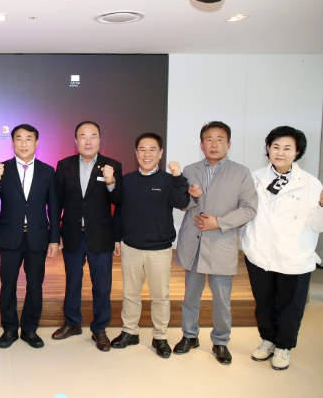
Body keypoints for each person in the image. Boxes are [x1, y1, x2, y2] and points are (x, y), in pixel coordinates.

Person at [174, 121, 257, 365]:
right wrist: (191, 197)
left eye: (219, 139)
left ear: (228, 144)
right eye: (209, 139)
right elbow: (182, 204)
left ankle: (220, 341)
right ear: (201, 145)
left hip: (221, 243)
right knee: (190, 296)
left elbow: (249, 209)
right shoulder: (190, 169)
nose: (214, 144)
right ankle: (189, 336)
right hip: (194, 243)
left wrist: (219, 222)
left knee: (222, 300)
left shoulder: (241, 172)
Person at [241, 126, 323, 371]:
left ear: (297, 152)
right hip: (260, 253)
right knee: (264, 303)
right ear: (268, 148)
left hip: (294, 255)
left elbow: (317, 225)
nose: (280, 152)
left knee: (291, 306)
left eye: (287, 148)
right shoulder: (254, 178)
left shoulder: (311, 184)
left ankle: (284, 346)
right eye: (275, 146)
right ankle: (268, 339)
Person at [111, 133, 190, 358]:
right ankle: (130, 331)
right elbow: (119, 212)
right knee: (130, 294)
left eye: (152, 149)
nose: (147, 154)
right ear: (136, 153)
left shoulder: (169, 180)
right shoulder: (127, 180)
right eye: (142, 149)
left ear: (160, 153)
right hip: (131, 247)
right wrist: (117, 239)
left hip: (159, 249)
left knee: (160, 296)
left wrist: (178, 177)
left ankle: (160, 336)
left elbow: (182, 202)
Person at [0, 124, 60, 349]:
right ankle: (9, 329)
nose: (24, 143)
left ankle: (29, 329)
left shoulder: (47, 171)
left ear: (36, 142)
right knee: (7, 284)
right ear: (12, 143)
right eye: (19, 138)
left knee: (35, 285)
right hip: (10, 235)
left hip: (37, 236)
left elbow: (54, 207)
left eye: (29, 138)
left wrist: (54, 239)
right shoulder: (2, 169)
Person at [52, 121, 122, 352]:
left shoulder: (112, 166)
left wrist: (111, 182)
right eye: (83, 136)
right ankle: (72, 323)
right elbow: (56, 203)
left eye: (93, 136)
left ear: (100, 140)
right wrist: (56, 234)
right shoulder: (64, 165)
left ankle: (99, 328)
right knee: (72, 282)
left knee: (102, 286)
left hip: (101, 236)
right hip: (72, 235)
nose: (88, 141)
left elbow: (119, 201)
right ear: (76, 141)